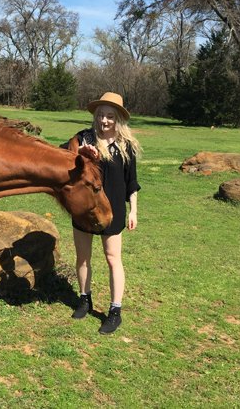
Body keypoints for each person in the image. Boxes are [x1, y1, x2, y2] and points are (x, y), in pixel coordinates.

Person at [65, 92, 141, 334]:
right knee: (82, 257)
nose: (104, 121)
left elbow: (132, 183)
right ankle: (84, 299)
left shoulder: (125, 146)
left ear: (118, 119)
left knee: (112, 258)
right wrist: (79, 154)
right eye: (101, 115)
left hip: (114, 210)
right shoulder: (83, 138)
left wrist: (133, 211)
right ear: (95, 116)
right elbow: (61, 157)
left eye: (110, 116)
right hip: (85, 208)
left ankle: (115, 311)